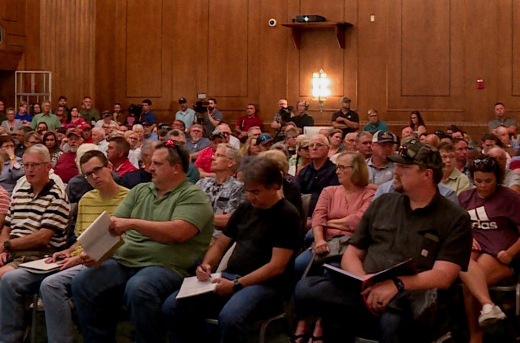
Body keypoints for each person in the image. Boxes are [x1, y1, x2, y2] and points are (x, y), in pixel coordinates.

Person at [294, 140, 472, 342]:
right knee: (305, 290)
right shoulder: (383, 203)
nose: (396, 171)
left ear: (427, 174)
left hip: (411, 295)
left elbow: (443, 276)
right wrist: (364, 282)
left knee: (394, 319)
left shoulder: (454, 218)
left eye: (404, 167)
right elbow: (353, 252)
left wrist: (396, 285)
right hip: (365, 289)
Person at [70, 140, 214, 343]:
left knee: (139, 288)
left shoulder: (194, 196)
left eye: (157, 164)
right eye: (150, 162)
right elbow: (113, 227)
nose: (150, 168)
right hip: (126, 261)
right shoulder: (141, 191)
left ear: (176, 168)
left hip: (167, 267)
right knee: (83, 282)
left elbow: (178, 233)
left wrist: (133, 224)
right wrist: (94, 252)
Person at [162, 157, 300, 343]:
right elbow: (220, 245)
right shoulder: (246, 208)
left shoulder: (287, 215)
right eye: (248, 191)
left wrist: (236, 284)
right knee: (173, 305)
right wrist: (207, 265)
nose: (251, 197)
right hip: (231, 277)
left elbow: (276, 266)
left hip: (268, 286)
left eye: (256, 192)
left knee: (231, 317)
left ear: (275, 186)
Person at [0, 150, 129, 343]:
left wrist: (7, 246)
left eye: (97, 170)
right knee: (10, 280)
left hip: (96, 258)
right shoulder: (86, 199)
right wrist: (68, 251)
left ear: (109, 168)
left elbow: (123, 239)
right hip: (68, 257)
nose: (94, 177)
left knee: (49, 284)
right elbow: (81, 239)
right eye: (88, 174)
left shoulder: (129, 198)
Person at [292, 151, 374, 342]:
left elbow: (359, 222)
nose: (337, 171)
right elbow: (318, 218)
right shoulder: (329, 191)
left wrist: (331, 222)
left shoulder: (369, 194)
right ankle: (302, 319)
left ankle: (322, 323)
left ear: (355, 170)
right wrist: (319, 240)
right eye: (337, 167)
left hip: (351, 247)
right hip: (325, 242)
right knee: (298, 265)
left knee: (333, 273)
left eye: (342, 167)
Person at [459, 156, 520, 343]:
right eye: (478, 181)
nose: (483, 186)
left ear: (497, 178)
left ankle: (476, 334)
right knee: (464, 265)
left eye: (488, 181)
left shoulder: (509, 198)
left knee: (470, 284)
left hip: (501, 253)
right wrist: (470, 236)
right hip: (476, 249)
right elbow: (459, 227)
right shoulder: (465, 197)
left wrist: (511, 252)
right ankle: (488, 306)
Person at [0, 145, 70, 279]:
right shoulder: (19, 193)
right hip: (12, 253)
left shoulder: (56, 196)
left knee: (5, 277)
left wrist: (8, 245)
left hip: (38, 257)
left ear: (48, 167)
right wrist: (3, 248)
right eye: (26, 165)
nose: (29, 170)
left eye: (35, 165)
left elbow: (42, 238)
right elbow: (7, 228)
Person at [196, 143, 245, 240]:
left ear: (230, 163)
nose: (213, 158)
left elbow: (230, 220)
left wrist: (197, 218)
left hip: (218, 238)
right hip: (193, 232)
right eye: (214, 154)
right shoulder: (202, 183)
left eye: (219, 156)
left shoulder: (239, 188)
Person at [295, 135, 339, 223]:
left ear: (328, 149)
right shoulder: (304, 172)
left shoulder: (335, 171)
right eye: (311, 146)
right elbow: (296, 194)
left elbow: (333, 199)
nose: (314, 148)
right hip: (304, 216)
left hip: (327, 217)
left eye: (319, 145)